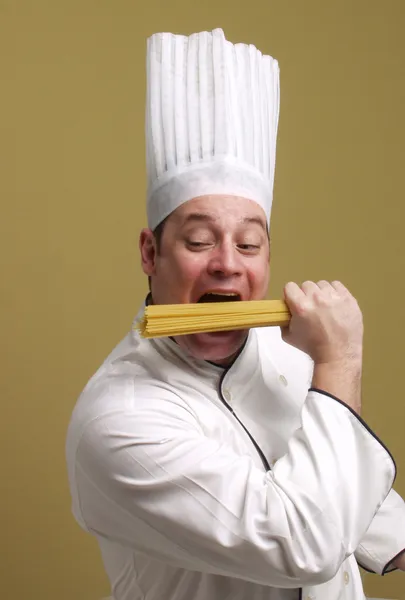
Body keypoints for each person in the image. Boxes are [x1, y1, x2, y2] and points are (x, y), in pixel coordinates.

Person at [66, 28, 405, 600]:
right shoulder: (117, 420)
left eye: (248, 245)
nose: (227, 264)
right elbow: (306, 544)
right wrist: (341, 358)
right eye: (200, 241)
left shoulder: (285, 356)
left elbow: (347, 490)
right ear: (150, 253)